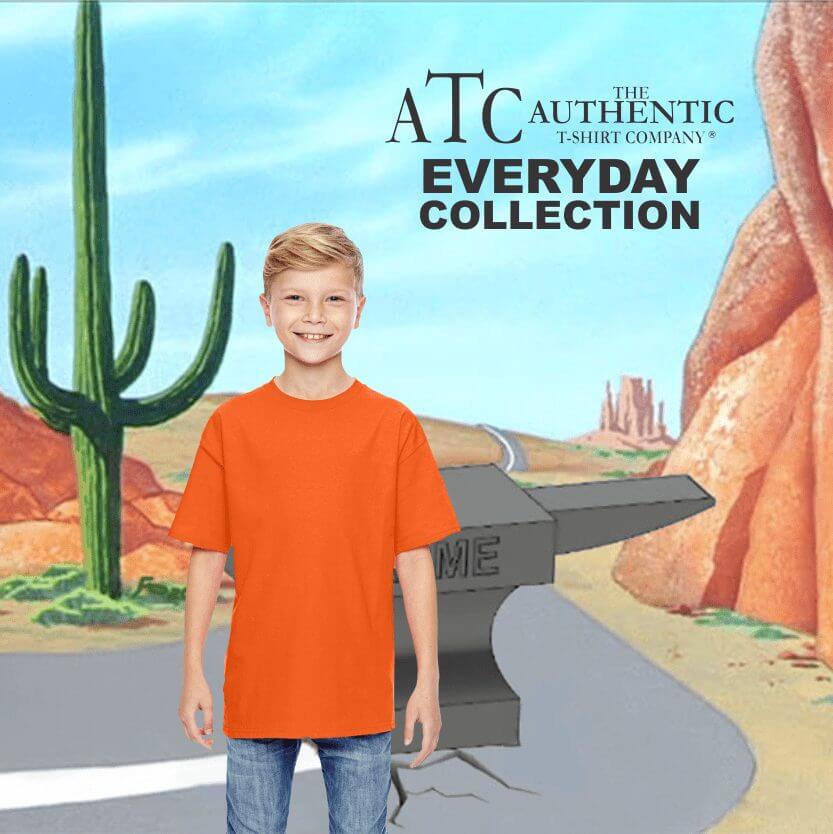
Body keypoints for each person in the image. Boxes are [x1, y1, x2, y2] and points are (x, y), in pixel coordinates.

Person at [168, 222, 461, 834]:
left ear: (359, 309)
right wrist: (193, 668)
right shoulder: (231, 425)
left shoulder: (393, 426)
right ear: (266, 308)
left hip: (359, 696)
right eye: (296, 297)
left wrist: (427, 680)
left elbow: (415, 559)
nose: (314, 315)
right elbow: (205, 554)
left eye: (333, 298)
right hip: (257, 694)